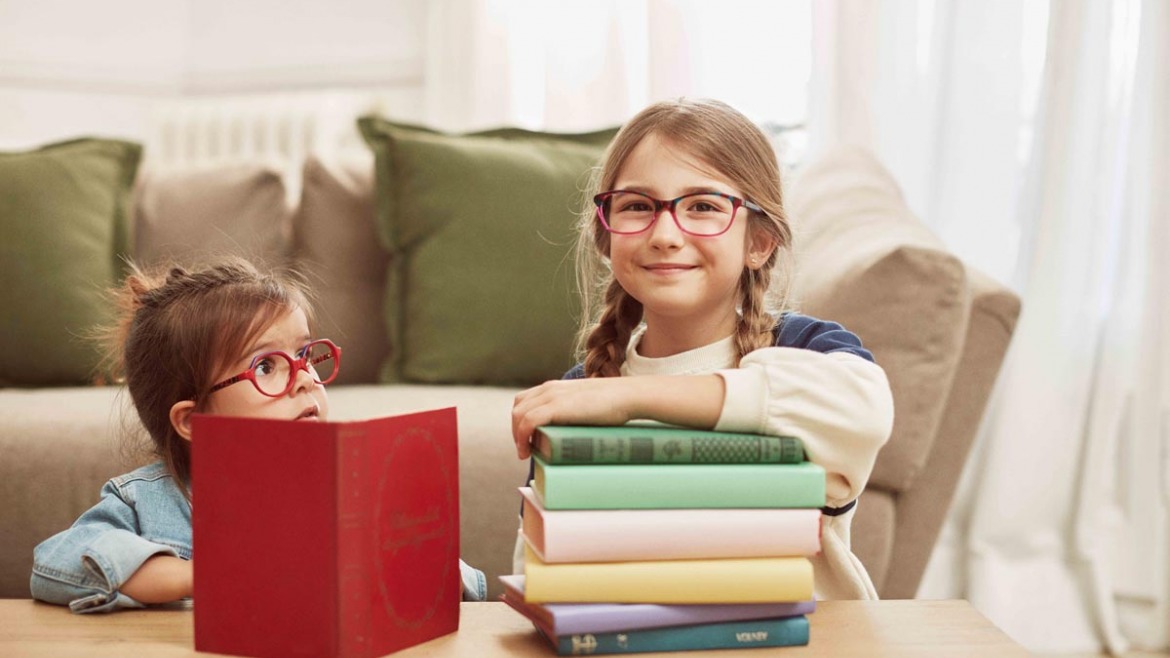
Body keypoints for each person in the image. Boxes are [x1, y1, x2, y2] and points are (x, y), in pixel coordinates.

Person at [510, 98, 895, 599]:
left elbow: (864, 409)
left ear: (759, 242)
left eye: (704, 207)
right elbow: (537, 569)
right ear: (608, 238)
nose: (666, 234)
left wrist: (630, 399)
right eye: (637, 206)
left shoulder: (806, 350)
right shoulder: (577, 394)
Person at [31, 258, 486, 612]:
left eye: (305, 355)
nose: (305, 377)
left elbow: (467, 588)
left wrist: (398, 558)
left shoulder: (354, 490)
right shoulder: (149, 502)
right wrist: (203, 574)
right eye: (266, 366)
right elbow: (56, 562)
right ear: (193, 422)